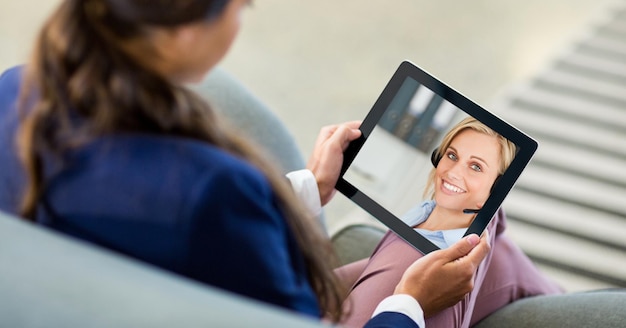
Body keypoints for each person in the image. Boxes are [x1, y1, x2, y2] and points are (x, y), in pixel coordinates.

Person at [0, 1, 491, 327]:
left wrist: (307, 189)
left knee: (469, 227)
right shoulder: (213, 193)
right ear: (184, 33)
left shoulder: (13, 94)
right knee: (483, 224)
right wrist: (409, 306)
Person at [336, 117, 563, 327]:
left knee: (493, 243)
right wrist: (409, 302)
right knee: (490, 241)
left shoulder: (420, 212)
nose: (453, 172)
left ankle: (555, 292)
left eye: (475, 166)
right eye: (452, 156)